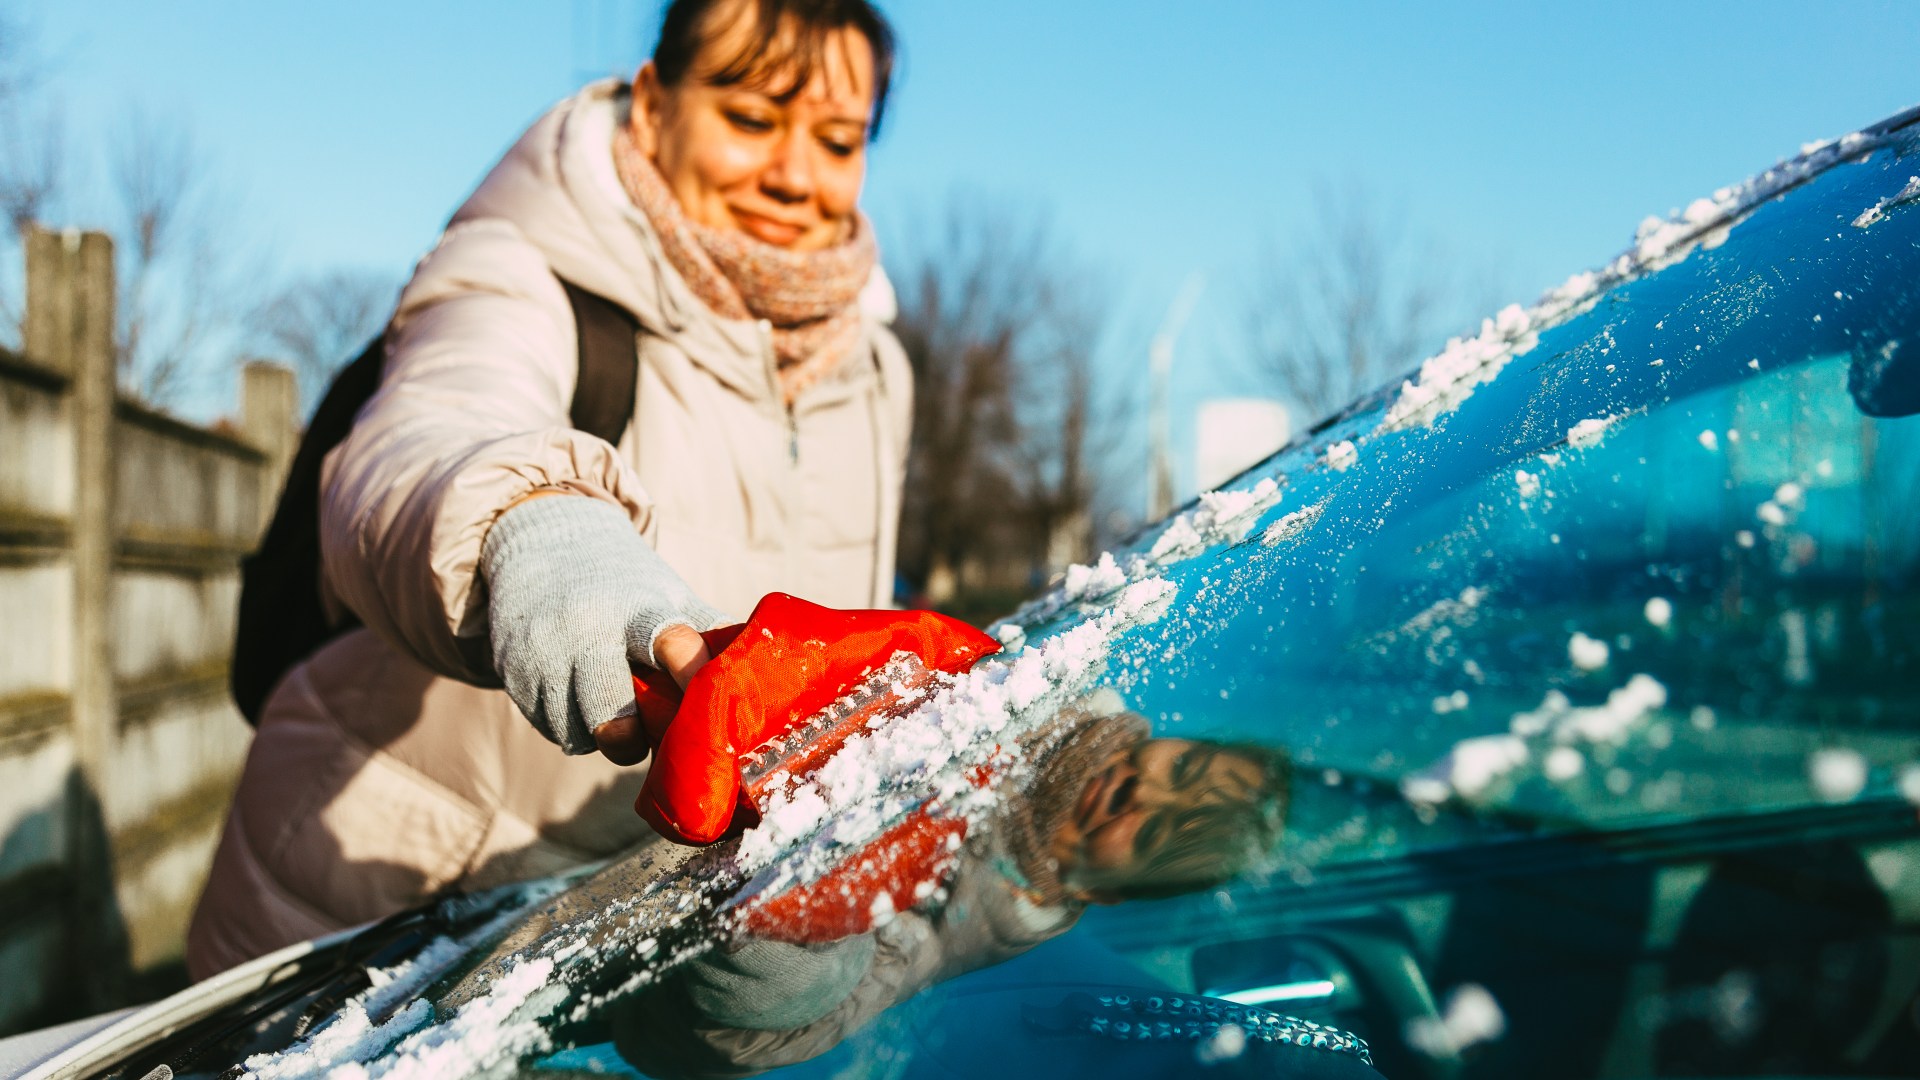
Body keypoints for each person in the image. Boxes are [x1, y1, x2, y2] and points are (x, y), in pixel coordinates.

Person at [187, 0, 911, 978]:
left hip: (640, 961)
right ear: (653, 106)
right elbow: (434, 427)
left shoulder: (876, 375)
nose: (792, 175)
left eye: (836, 139)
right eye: (748, 119)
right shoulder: (525, 270)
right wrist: (540, 527)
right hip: (384, 940)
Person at [609, 693, 1293, 1077]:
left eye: (1150, 835)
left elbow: (716, 1041)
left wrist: (783, 940)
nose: (1141, 789)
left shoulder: (929, 929)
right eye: (1183, 768)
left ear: (1106, 894)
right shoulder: (1035, 684)